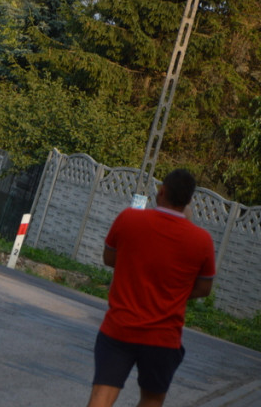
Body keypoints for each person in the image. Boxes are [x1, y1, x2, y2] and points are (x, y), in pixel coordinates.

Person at [86, 169, 216, 407]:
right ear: (189, 201)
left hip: (119, 328)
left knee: (101, 397)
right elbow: (204, 289)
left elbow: (109, 259)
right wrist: (173, 290)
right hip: (163, 337)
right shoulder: (202, 240)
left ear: (162, 191)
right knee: (152, 400)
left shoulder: (128, 218)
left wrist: (134, 272)